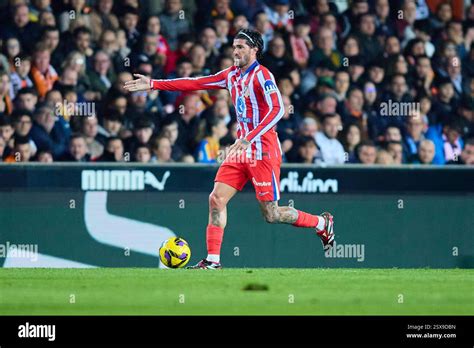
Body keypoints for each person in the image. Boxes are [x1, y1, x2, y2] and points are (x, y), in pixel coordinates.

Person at [124, 29, 335, 269]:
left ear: (255, 49)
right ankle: (213, 261)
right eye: (234, 46)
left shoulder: (263, 76)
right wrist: (153, 83)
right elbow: (195, 82)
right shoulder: (230, 76)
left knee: (271, 214)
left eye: (241, 47)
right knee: (216, 199)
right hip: (241, 149)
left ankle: (320, 223)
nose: (235, 51)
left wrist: (249, 137)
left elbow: (277, 110)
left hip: (263, 150)